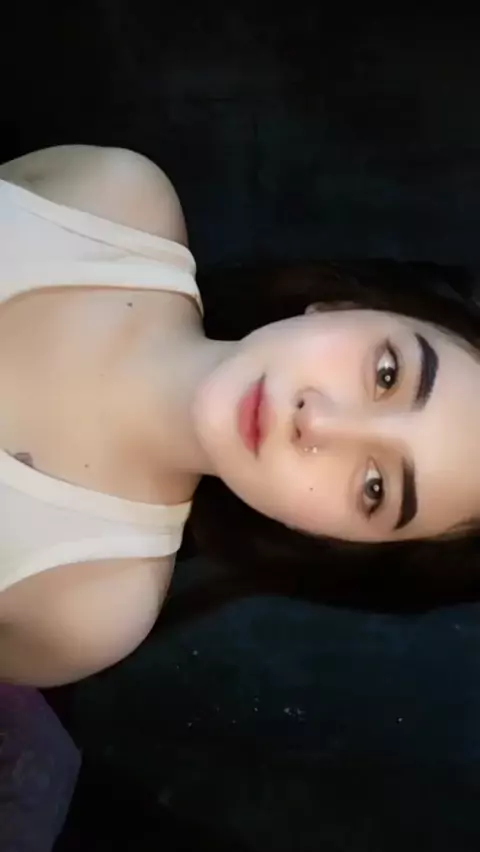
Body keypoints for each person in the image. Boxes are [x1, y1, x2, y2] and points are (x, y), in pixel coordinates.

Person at [0, 144, 479, 688]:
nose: (320, 422)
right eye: (388, 374)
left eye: (375, 487)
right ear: (349, 306)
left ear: (333, 541)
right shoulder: (109, 200)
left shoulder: (88, 606)